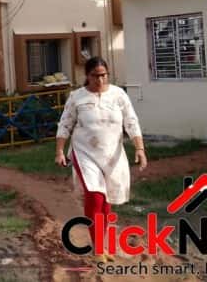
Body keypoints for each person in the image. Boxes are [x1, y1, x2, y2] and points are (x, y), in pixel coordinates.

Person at [55, 57, 147, 263]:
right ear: (87, 76)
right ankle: (98, 248)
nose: (100, 80)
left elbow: (131, 122)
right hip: (84, 153)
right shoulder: (76, 97)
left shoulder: (118, 95)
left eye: (103, 75)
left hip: (112, 154)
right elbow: (65, 124)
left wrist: (140, 148)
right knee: (95, 196)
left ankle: (102, 244)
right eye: (95, 76)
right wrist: (60, 151)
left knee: (106, 202)